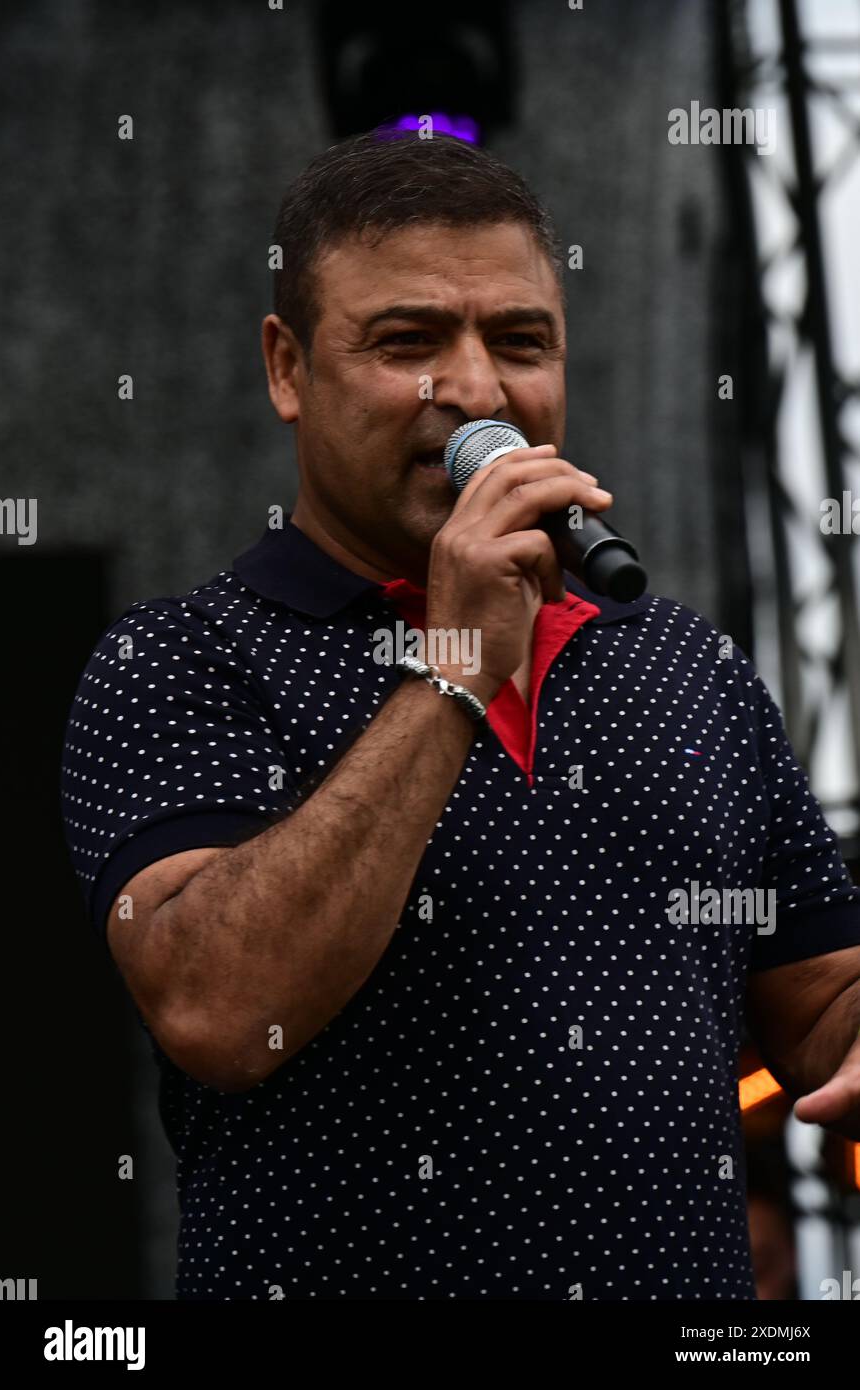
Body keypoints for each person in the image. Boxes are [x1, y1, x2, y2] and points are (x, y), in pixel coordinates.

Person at [60, 130, 860, 1300]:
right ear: (287, 368)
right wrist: (451, 671)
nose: (479, 391)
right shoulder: (179, 658)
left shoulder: (682, 662)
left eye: (520, 342)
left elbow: (818, 996)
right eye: (408, 342)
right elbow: (218, 1008)